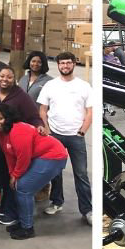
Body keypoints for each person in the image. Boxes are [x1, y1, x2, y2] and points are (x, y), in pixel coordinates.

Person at [0, 105, 68, 240]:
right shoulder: (1, 132)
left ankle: (27, 228)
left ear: (7, 118)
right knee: (17, 186)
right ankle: (22, 221)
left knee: (23, 188)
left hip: (53, 156)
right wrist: (12, 174)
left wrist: (16, 175)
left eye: (0, 119)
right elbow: (9, 155)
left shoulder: (18, 130)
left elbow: (23, 157)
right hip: (39, 156)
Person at [38, 53, 93, 224]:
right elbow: (42, 109)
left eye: (69, 62)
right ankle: (57, 202)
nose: (65, 66)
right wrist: (47, 129)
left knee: (81, 174)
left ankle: (87, 210)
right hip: (55, 135)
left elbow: (90, 111)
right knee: (55, 172)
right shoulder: (50, 85)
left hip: (76, 136)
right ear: (58, 65)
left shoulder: (84, 86)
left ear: (74, 64)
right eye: (62, 63)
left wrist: (83, 131)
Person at [0, 66, 44, 209]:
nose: (5, 80)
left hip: (13, 144)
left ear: (14, 80)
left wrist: (39, 125)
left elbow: (33, 116)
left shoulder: (21, 96)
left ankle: (9, 206)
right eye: (2, 76)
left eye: (9, 77)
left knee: (10, 175)